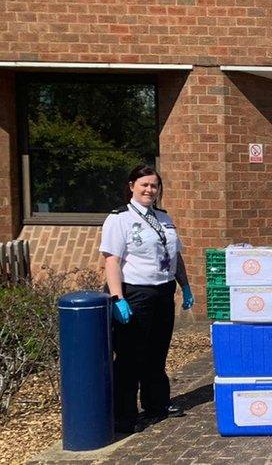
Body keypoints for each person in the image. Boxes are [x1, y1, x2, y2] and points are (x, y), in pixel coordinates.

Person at [100, 165, 195, 433]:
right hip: (136, 293)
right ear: (132, 186)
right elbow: (112, 261)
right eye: (144, 185)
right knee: (130, 357)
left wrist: (185, 286)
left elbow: (176, 256)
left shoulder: (163, 218)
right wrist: (117, 297)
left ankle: (157, 406)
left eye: (154, 186)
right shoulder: (119, 219)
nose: (149, 190)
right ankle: (125, 418)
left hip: (163, 291)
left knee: (157, 352)